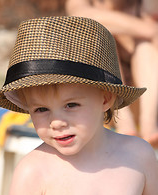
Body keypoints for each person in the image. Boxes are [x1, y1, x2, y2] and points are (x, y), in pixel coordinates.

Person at [0, 16, 158, 195]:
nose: (56, 122)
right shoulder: (34, 171)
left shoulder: (140, 155)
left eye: (71, 105)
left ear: (105, 99)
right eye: (41, 109)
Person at [66, 0, 158, 148]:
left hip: (142, 99)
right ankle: (124, 123)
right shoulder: (85, 3)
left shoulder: (144, 5)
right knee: (100, 37)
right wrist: (146, 29)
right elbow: (81, 15)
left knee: (145, 47)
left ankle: (149, 125)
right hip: (104, 103)